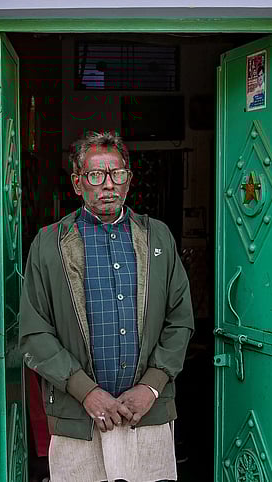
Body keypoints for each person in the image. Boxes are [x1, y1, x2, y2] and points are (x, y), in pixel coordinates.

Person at [19, 131, 194, 482]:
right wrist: (87, 392)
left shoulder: (157, 237)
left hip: (146, 415)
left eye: (116, 174)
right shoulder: (49, 244)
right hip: (77, 417)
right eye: (95, 175)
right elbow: (35, 333)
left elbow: (180, 320)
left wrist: (152, 387)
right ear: (77, 183)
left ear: (128, 179)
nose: (107, 185)